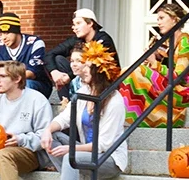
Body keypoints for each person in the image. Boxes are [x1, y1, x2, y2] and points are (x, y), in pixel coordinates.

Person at [41, 41, 127, 180]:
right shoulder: (84, 91)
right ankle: (70, 175)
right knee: (53, 137)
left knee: (71, 156)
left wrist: (71, 150)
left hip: (109, 158)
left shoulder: (114, 100)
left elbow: (103, 145)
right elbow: (64, 118)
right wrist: (47, 131)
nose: (83, 69)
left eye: (88, 66)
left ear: (99, 71)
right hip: (85, 152)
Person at [119, 3, 189, 128]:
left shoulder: (185, 42)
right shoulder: (167, 42)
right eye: (158, 19)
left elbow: (179, 76)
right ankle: (131, 116)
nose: (158, 22)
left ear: (174, 19)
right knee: (126, 72)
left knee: (133, 71)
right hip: (168, 84)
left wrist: (154, 62)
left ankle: (156, 116)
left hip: (181, 91)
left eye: (162, 18)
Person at [45, 9, 120, 100]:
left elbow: (94, 64)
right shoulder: (76, 40)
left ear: (90, 23)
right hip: (81, 81)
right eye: (74, 24)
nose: (74, 27)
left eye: (78, 23)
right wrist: (54, 72)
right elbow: (49, 54)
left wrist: (69, 76)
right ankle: (66, 101)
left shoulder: (104, 39)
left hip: (103, 84)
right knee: (58, 60)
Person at [59, 44, 85, 111]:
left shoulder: (96, 83)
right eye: (72, 61)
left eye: (78, 61)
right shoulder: (75, 82)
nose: (74, 65)